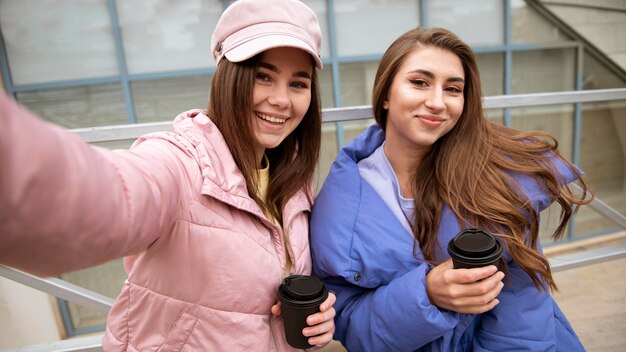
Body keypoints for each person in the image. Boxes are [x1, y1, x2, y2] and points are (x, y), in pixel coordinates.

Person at [0, 0, 337, 350]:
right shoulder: (178, 164)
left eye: (298, 84)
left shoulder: (293, 180)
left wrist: (317, 321)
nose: (282, 100)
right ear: (227, 78)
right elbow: (108, 196)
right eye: (263, 77)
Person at [310, 27, 591, 351]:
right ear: (385, 93)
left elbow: (524, 311)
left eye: (453, 89)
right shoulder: (339, 204)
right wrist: (426, 294)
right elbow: (351, 323)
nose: (437, 102)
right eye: (419, 82)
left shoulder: (497, 180)